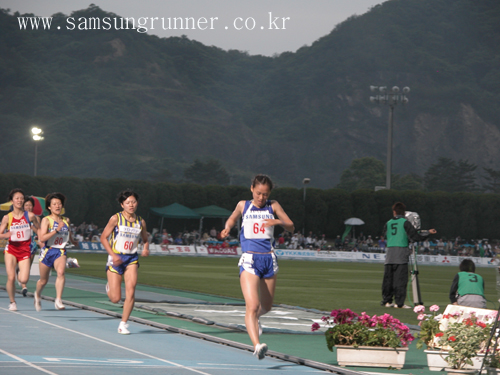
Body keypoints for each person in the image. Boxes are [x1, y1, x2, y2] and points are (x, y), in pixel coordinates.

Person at [221, 174, 294, 360]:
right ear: (252, 189)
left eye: (265, 194)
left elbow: (291, 226)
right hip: (250, 260)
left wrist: (276, 221)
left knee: (266, 307)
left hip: (269, 259)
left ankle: (256, 318)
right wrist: (228, 228)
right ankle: (257, 345)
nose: (261, 198)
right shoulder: (243, 205)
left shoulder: (273, 205)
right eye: (259, 193)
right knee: (252, 305)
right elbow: (231, 219)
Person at [100, 190, 149, 335]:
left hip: (131, 259)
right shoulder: (115, 219)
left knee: (131, 290)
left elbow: (145, 239)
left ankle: (123, 324)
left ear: (137, 203)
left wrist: (145, 248)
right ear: (122, 204)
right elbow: (103, 238)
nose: (131, 205)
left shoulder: (141, 221)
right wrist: (113, 255)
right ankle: (110, 287)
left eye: (133, 202)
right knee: (115, 299)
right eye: (128, 202)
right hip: (116, 258)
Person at [381, 202, 436, 309]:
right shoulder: (405, 223)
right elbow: (415, 237)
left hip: (389, 255)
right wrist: (428, 232)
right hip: (401, 254)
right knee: (400, 280)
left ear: (394, 212)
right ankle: (399, 303)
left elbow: (384, 235)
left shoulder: (388, 223)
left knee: (388, 279)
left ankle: (387, 301)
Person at [34, 192, 78, 311]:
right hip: (48, 251)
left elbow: (67, 232)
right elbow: (42, 238)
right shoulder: (46, 220)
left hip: (60, 251)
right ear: (49, 207)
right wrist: (56, 230)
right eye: (54, 204)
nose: (57, 206)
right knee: (43, 280)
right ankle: (37, 295)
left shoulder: (66, 220)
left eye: (59, 204)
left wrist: (73, 241)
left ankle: (58, 299)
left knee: (60, 273)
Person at [0, 189, 39, 311]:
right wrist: (5, 235)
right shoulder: (7, 217)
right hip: (11, 249)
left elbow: (40, 230)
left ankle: (18, 274)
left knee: (24, 279)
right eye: (17, 198)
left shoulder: (30, 216)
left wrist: (36, 230)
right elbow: (0, 234)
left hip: (25, 249)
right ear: (12, 201)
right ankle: (12, 302)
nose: (20, 200)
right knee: (10, 278)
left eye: (21, 198)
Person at [18, 196, 41, 296]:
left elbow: (39, 231)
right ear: (23, 206)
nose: (28, 207)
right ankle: (24, 286)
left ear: (33, 207)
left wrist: (31, 226)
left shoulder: (36, 218)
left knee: (28, 266)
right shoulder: (19, 217)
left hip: (32, 244)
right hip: (21, 244)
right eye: (26, 205)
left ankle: (21, 277)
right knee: (24, 265)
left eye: (30, 205)